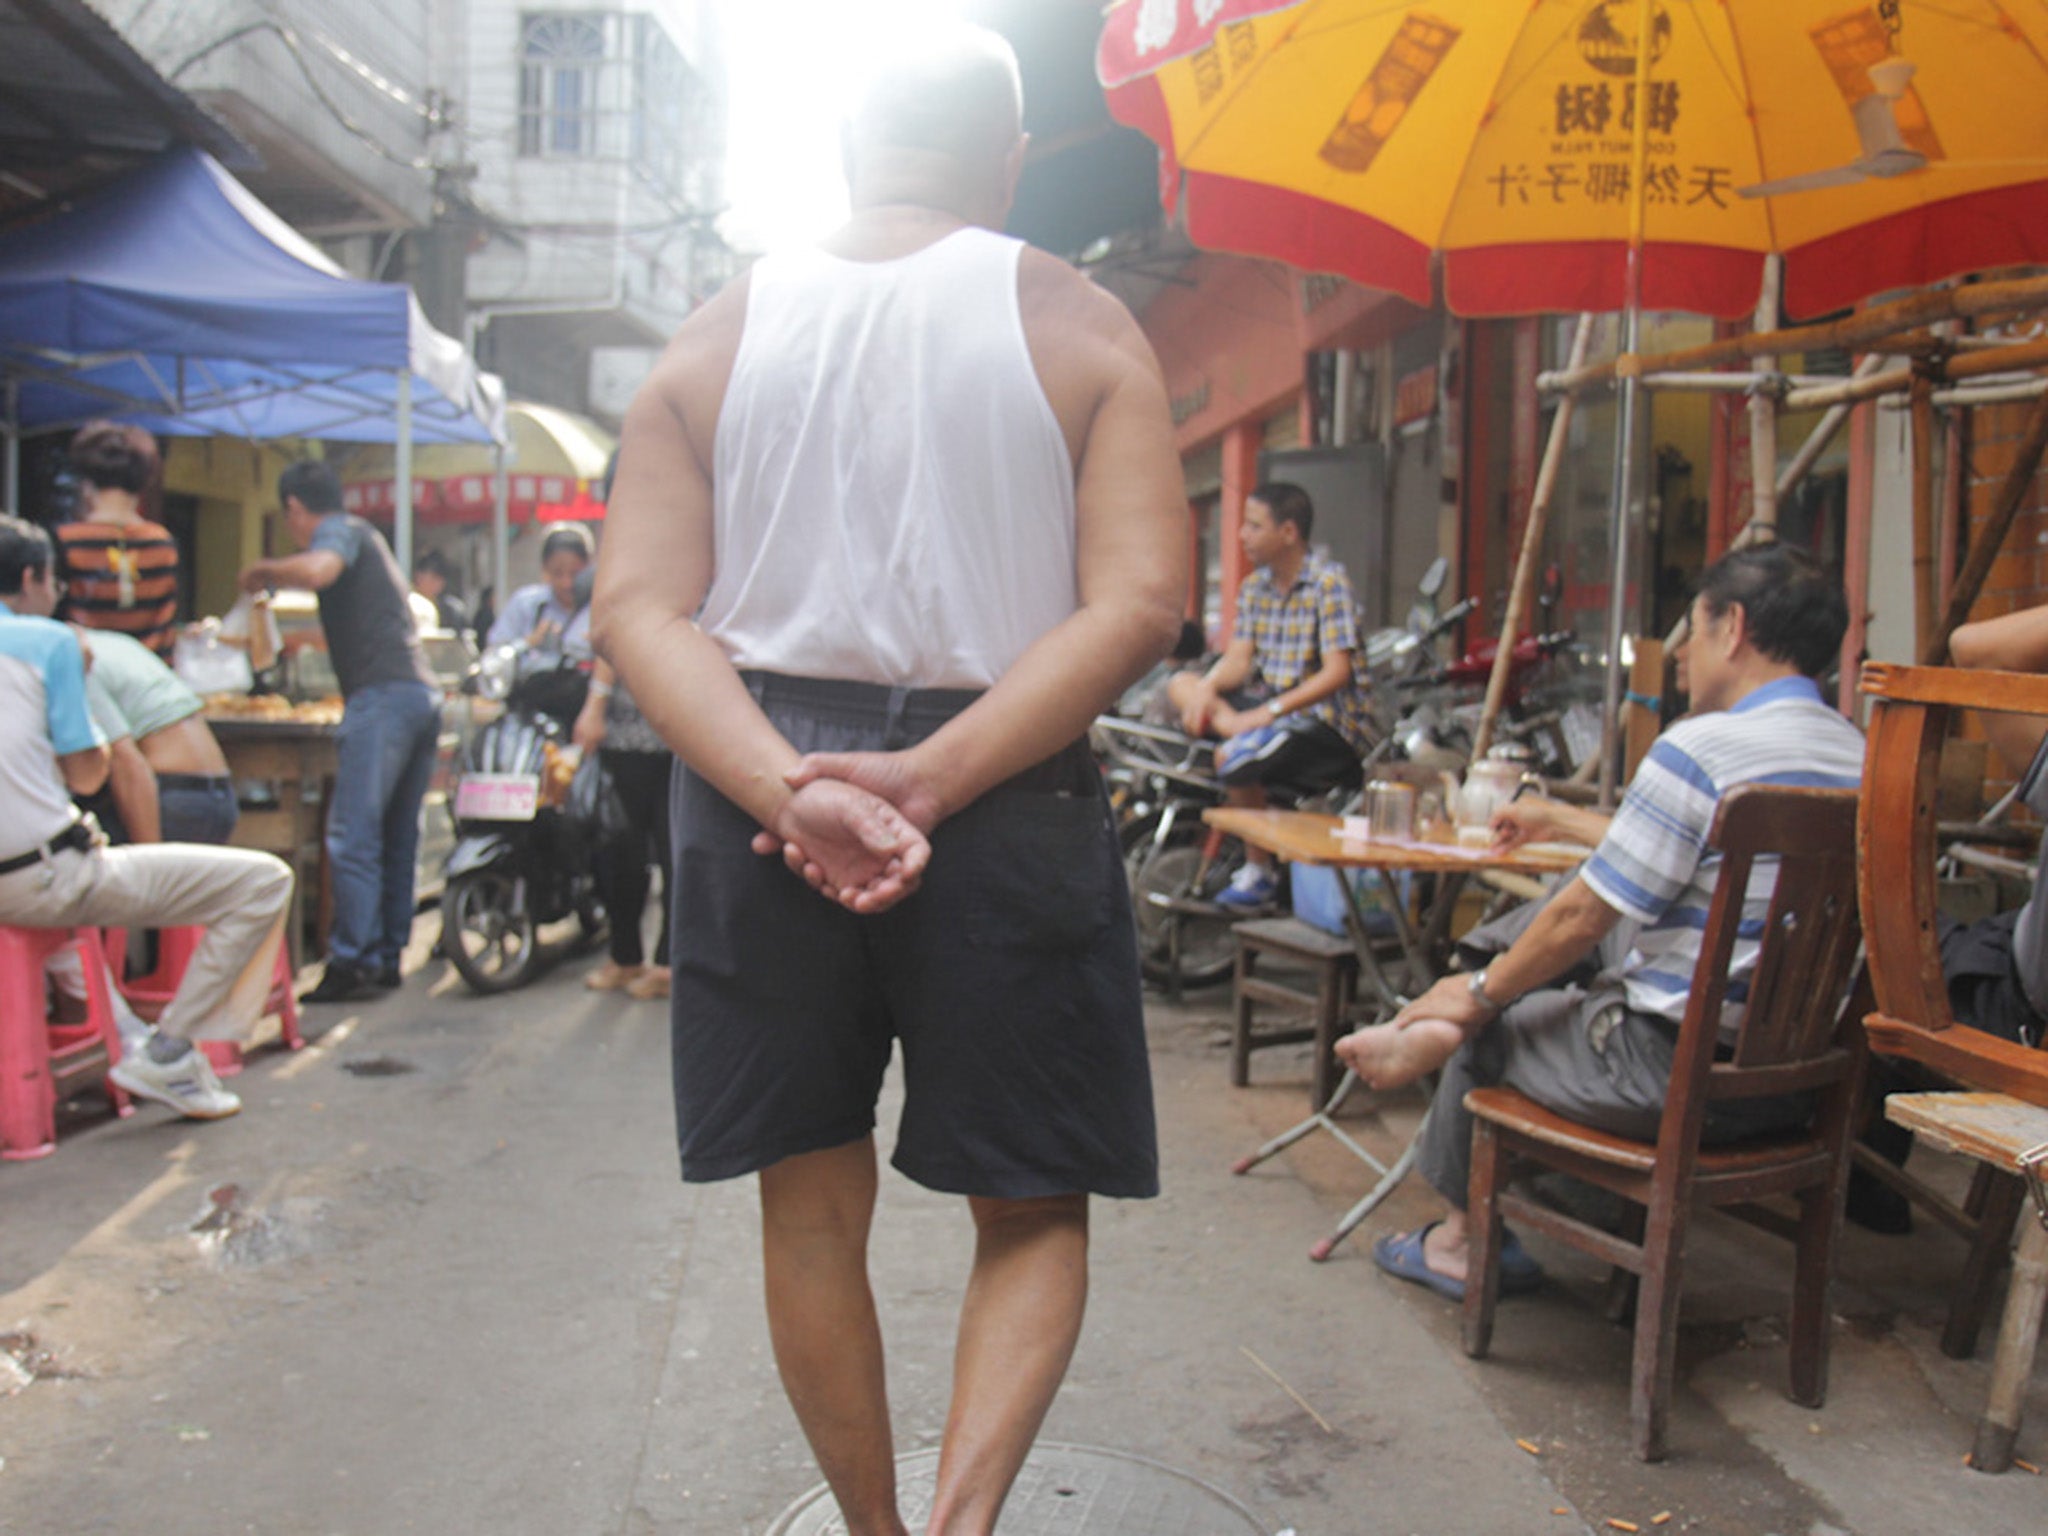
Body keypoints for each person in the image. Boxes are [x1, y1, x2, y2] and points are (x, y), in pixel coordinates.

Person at [594, 26, 1185, 1535]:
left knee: (806, 1196)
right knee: (1033, 1200)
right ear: (1013, 158)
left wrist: (790, 786)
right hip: (1009, 766)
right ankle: (962, 1526)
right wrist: (930, 777)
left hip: (757, 779)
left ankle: (870, 1533)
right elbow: (1138, 606)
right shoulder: (1079, 320)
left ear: (848, 153)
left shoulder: (710, 340)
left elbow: (638, 611)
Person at [1335, 543, 1865, 1301]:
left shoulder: (1701, 749)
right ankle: (1464, 991)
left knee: (1499, 1019)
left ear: (1733, 627)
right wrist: (1560, 818)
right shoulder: (1862, 759)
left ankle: (1458, 1236)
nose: (1680, 652)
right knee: (1575, 927)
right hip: (1792, 1088)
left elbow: (1586, 916)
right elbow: (1666, 858)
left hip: (1665, 1074)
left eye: (1695, 626)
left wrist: (1483, 997)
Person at [0, 514, 292, 1120]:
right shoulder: (52, 643)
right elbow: (87, 774)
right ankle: (169, 1050)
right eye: (52, 580)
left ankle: (123, 1038)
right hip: (43, 879)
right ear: (31, 577)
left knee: (54, 928)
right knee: (265, 882)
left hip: (30, 881)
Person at [239, 461, 440, 1004]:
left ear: (296, 510)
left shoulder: (339, 533)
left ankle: (352, 960)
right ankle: (385, 957)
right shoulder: (365, 539)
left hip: (384, 699)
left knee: (354, 835)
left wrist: (265, 571)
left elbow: (321, 570)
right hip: (418, 695)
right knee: (397, 835)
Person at [1164, 482, 1372, 908]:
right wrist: (1205, 690)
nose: (1242, 535)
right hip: (1269, 714)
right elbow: (1238, 660)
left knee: (1234, 757)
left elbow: (1337, 673)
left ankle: (1259, 871)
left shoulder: (1327, 584)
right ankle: (1232, 729)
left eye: (1254, 526)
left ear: (1289, 533)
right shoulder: (1254, 589)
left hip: (1326, 723)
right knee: (1179, 684)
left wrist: (1266, 714)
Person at [77, 624, 238, 845]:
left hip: (172, 798)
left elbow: (127, 764)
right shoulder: (114, 642)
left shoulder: (76, 659)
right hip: (220, 797)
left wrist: (149, 862)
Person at [571, 654, 674, 999]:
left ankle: (667, 963)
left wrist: (594, 707)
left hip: (678, 738)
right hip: (627, 737)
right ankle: (626, 956)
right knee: (621, 851)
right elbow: (610, 643)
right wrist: (595, 708)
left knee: (670, 851)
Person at [55, 422, 181, 660]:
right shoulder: (161, 543)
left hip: (88, 676)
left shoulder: (66, 540)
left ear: (86, 482)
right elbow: (166, 625)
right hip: (146, 677)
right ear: (145, 481)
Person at [486, 524, 593, 656]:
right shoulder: (524, 604)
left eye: (575, 574)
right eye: (558, 573)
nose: (567, 583)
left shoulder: (600, 607)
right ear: (545, 570)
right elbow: (494, 656)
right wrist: (529, 642)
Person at [411, 548, 471, 635]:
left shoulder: (450, 610)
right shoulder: (406, 603)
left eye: (441, 580)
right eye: (433, 578)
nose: (437, 584)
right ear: (418, 575)